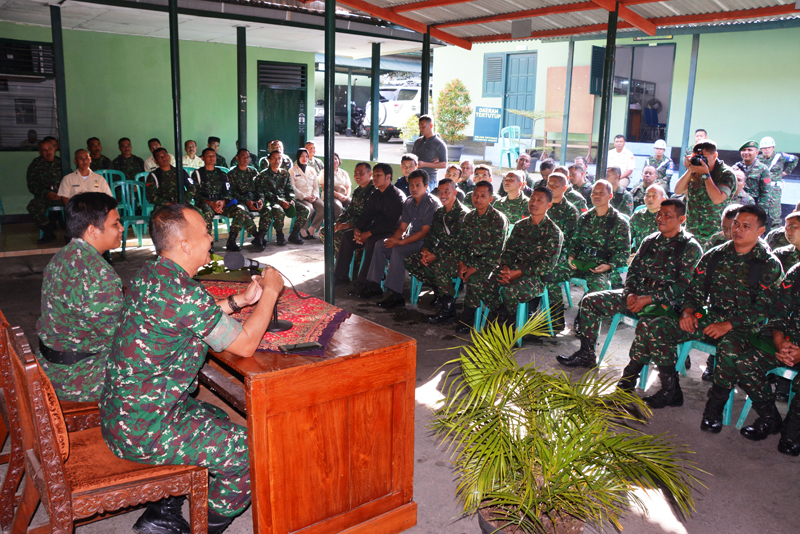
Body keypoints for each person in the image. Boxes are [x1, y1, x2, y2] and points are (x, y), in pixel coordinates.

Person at [100, 204, 284, 534]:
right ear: (185, 245)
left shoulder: (154, 273)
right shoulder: (182, 291)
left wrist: (240, 301)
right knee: (248, 451)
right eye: (205, 233)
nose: (212, 238)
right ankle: (205, 527)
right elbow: (243, 344)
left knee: (216, 417)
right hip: (143, 427)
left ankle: (162, 511)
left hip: (124, 411)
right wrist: (270, 292)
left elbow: (187, 314)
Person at [628, 205, 782, 412]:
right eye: (736, 224)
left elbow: (765, 309)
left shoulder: (768, 263)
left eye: (746, 226)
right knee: (657, 326)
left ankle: (715, 406)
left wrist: (728, 324)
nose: (737, 229)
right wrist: (688, 311)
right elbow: (695, 290)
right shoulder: (716, 255)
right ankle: (670, 390)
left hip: (746, 327)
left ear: (760, 231)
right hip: (711, 317)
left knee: (729, 347)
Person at [559, 199, 702, 369]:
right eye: (659, 214)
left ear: (682, 219)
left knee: (652, 324)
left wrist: (649, 299)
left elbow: (683, 287)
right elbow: (633, 271)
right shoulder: (650, 240)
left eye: (667, 215)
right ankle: (586, 354)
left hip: (665, 304)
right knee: (590, 301)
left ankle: (671, 357)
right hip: (637, 297)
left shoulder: (690, 247)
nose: (660, 218)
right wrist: (630, 293)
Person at [37, 192, 124, 402]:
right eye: (115, 224)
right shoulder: (99, 275)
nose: (121, 229)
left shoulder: (63, 256)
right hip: (77, 376)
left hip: (49, 364)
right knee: (162, 365)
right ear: (93, 231)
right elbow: (121, 340)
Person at [548, 180, 631, 331]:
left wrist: (610, 265)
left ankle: (583, 318)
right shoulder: (585, 217)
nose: (596, 196)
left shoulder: (619, 222)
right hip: (580, 262)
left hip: (601, 266)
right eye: (594, 193)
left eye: (601, 193)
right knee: (550, 275)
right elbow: (575, 241)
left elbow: (624, 252)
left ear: (610, 195)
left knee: (598, 287)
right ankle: (556, 317)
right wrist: (571, 256)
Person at [738, 261, 800, 454]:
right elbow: (778, 310)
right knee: (743, 363)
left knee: (788, 446)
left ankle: (793, 431)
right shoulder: (797, 272)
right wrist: (779, 340)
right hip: (788, 342)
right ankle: (770, 417)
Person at [486, 187, 563, 326]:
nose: (534, 203)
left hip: (535, 277)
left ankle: (513, 323)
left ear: (549, 205)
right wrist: (505, 268)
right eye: (532, 199)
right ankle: (501, 313)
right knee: (485, 282)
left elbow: (546, 266)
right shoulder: (520, 226)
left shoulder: (553, 232)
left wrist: (519, 272)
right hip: (513, 270)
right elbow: (508, 251)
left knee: (510, 291)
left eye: (540, 200)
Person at [366, 170, 440, 308]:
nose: (414, 188)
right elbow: (402, 228)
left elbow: (424, 232)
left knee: (398, 250)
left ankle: (396, 296)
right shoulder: (409, 202)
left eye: (418, 185)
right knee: (381, 244)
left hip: (427, 243)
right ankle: (375, 286)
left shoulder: (431, 203)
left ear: (426, 186)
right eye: (411, 185)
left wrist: (399, 243)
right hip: (411, 239)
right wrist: (393, 241)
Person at [334, 163, 404, 294]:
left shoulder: (396, 196)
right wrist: (358, 229)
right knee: (348, 236)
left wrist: (368, 233)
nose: (375, 178)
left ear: (388, 177)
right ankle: (341, 275)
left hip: (390, 232)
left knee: (373, 242)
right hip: (374, 229)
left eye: (379, 175)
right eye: (375, 175)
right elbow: (367, 214)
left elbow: (391, 223)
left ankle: (367, 284)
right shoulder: (376, 194)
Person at [405, 178, 467, 323]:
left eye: (447, 191)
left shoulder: (463, 214)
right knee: (411, 260)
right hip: (441, 253)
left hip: (459, 257)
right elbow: (432, 235)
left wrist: (435, 255)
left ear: (455, 192)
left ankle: (448, 310)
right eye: (440, 192)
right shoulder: (440, 212)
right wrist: (425, 250)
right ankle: (439, 290)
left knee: (439, 266)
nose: (443, 195)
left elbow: (457, 244)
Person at [454, 181, 509, 333]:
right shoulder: (469, 217)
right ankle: (451, 309)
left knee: (475, 280)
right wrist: (461, 263)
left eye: (483, 196)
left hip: (492, 263)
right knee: (445, 267)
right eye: (475, 195)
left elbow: (497, 251)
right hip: (472, 259)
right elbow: (463, 244)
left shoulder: (498, 219)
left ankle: (471, 316)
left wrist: (475, 267)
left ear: (491, 199)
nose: (478, 199)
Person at [192, 148, 257, 252]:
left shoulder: (221, 173)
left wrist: (223, 202)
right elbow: (196, 195)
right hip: (205, 203)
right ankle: (208, 243)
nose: (211, 158)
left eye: (213, 155)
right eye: (208, 155)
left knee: (239, 211)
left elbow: (228, 192)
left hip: (221, 204)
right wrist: (211, 203)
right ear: (203, 158)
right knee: (207, 213)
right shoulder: (198, 174)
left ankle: (231, 241)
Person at [673, 138, 735, 245]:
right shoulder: (694, 170)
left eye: (703, 157)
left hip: (716, 234)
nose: (700, 160)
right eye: (697, 157)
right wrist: (690, 170)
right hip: (692, 232)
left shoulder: (726, 173)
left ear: (715, 156)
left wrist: (706, 175)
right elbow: (678, 190)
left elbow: (717, 199)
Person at [254, 150, 309, 246]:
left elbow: (289, 189)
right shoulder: (263, 175)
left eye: (279, 158)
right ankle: (280, 235)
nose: (277, 161)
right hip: (271, 201)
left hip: (285, 200)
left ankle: (294, 234)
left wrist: (291, 199)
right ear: (269, 160)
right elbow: (265, 192)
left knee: (305, 209)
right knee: (278, 210)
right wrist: (280, 202)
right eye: (274, 158)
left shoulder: (284, 173)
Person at [325, 162, 375, 257]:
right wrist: (340, 221)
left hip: (363, 227)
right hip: (352, 223)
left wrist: (348, 225)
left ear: (370, 174)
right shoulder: (358, 190)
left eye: (361, 173)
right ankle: (340, 259)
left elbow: (367, 217)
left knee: (337, 235)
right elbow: (350, 210)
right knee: (326, 232)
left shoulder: (374, 191)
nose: (357, 176)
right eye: (355, 173)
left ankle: (352, 262)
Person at [27, 139, 64, 244]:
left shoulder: (61, 163)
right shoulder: (35, 165)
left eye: (50, 149)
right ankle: (48, 232)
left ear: (54, 149)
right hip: (45, 197)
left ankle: (70, 233)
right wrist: (46, 194)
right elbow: (32, 185)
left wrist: (62, 194)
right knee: (33, 206)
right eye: (44, 150)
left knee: (77, 205)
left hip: (62, 196)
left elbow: (70, 181)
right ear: (39, 152)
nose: (48, 152)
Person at [758, 137, 798, 228]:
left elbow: (795, 159)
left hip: (775, 189)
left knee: (775, 215)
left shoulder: (780, 156)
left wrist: (787, 172)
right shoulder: (758, 159)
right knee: (761, 213)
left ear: (773, 148)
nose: (767, 149)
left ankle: (776, 236)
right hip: (763, 189)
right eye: (764, 148)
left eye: (769, 147)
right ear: (761, 149)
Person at [733, 140, 772, 226]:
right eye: (744, 150)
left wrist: (761, 214)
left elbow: (765, 194)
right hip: (737, 204)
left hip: (754, 206)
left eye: (749, 150)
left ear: (757, 152)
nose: (746, 152)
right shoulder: (735, 168)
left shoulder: (763, 169)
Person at [289, 148, 324, 240]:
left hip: (312, 196)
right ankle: (303, 230)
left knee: (323, 207)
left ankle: (312, 228)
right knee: (310, 208)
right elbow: (293, 188)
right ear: (298, 157)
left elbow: (316, 186)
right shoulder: (292, 171)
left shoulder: (312, 170)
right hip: (300, 197)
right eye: (302, 156)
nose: (304, 158)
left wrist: (315, 196)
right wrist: (305, 197)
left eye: (306, 156)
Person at [411, 114, 447, 190]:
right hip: (415, 179)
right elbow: (412, 157)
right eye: (419, 127)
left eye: (423, 126)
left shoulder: (439, 143)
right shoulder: (417, 141)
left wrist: (425, 164)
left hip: (429, 180)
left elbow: (444, 164)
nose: (421, 129)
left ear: (431, 126)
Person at [703, 203, 742, 269]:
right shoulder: (715, 240)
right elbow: (703, 266)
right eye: (724, 228)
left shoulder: (753, 244)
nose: (727, 233)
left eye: (731, 229)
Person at [630, 184, 666, 249]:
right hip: (639, 254)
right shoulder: (638, 215)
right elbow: (627, 238)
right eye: (647, 195)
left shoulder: (668, 218)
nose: (650, 199)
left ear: (663, 199)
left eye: (654, 195)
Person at [319, 152, 351, 221]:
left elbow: (348, 187)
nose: (334, 161)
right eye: (332, 159)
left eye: (336, 159)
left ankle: (349, 225)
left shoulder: (343, 172)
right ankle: (338, 227)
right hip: (330, 197)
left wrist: (347, 196)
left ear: (339, 160)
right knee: (338, 206)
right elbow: (325, 188)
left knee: (352, 203)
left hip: (343, 196)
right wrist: (338, 195)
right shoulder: (324, 172)